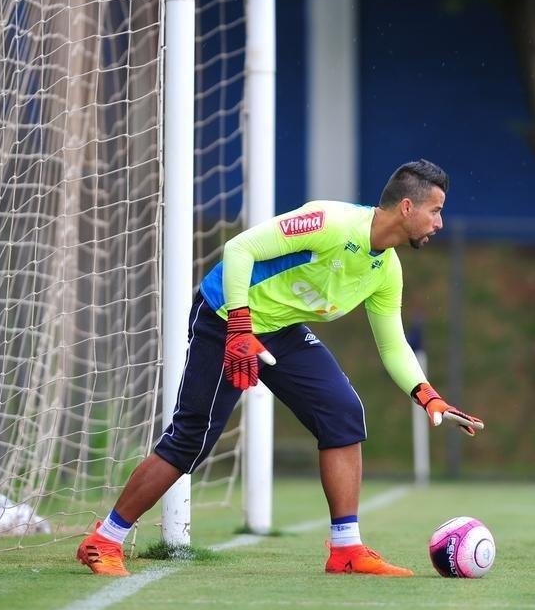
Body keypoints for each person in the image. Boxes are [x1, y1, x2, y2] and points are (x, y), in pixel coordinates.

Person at [76, 159, 483, 578]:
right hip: (225, 316)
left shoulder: (386, 269)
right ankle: (104, 540)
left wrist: (427, 395)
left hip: (279, 329)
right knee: (192, 438)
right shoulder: (331, 222)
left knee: (342, 413)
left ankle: (346, 550)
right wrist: (238, 325)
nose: (440, 222)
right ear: (406, 208)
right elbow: (239, 249)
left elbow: (392, 343)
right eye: (435, 210)